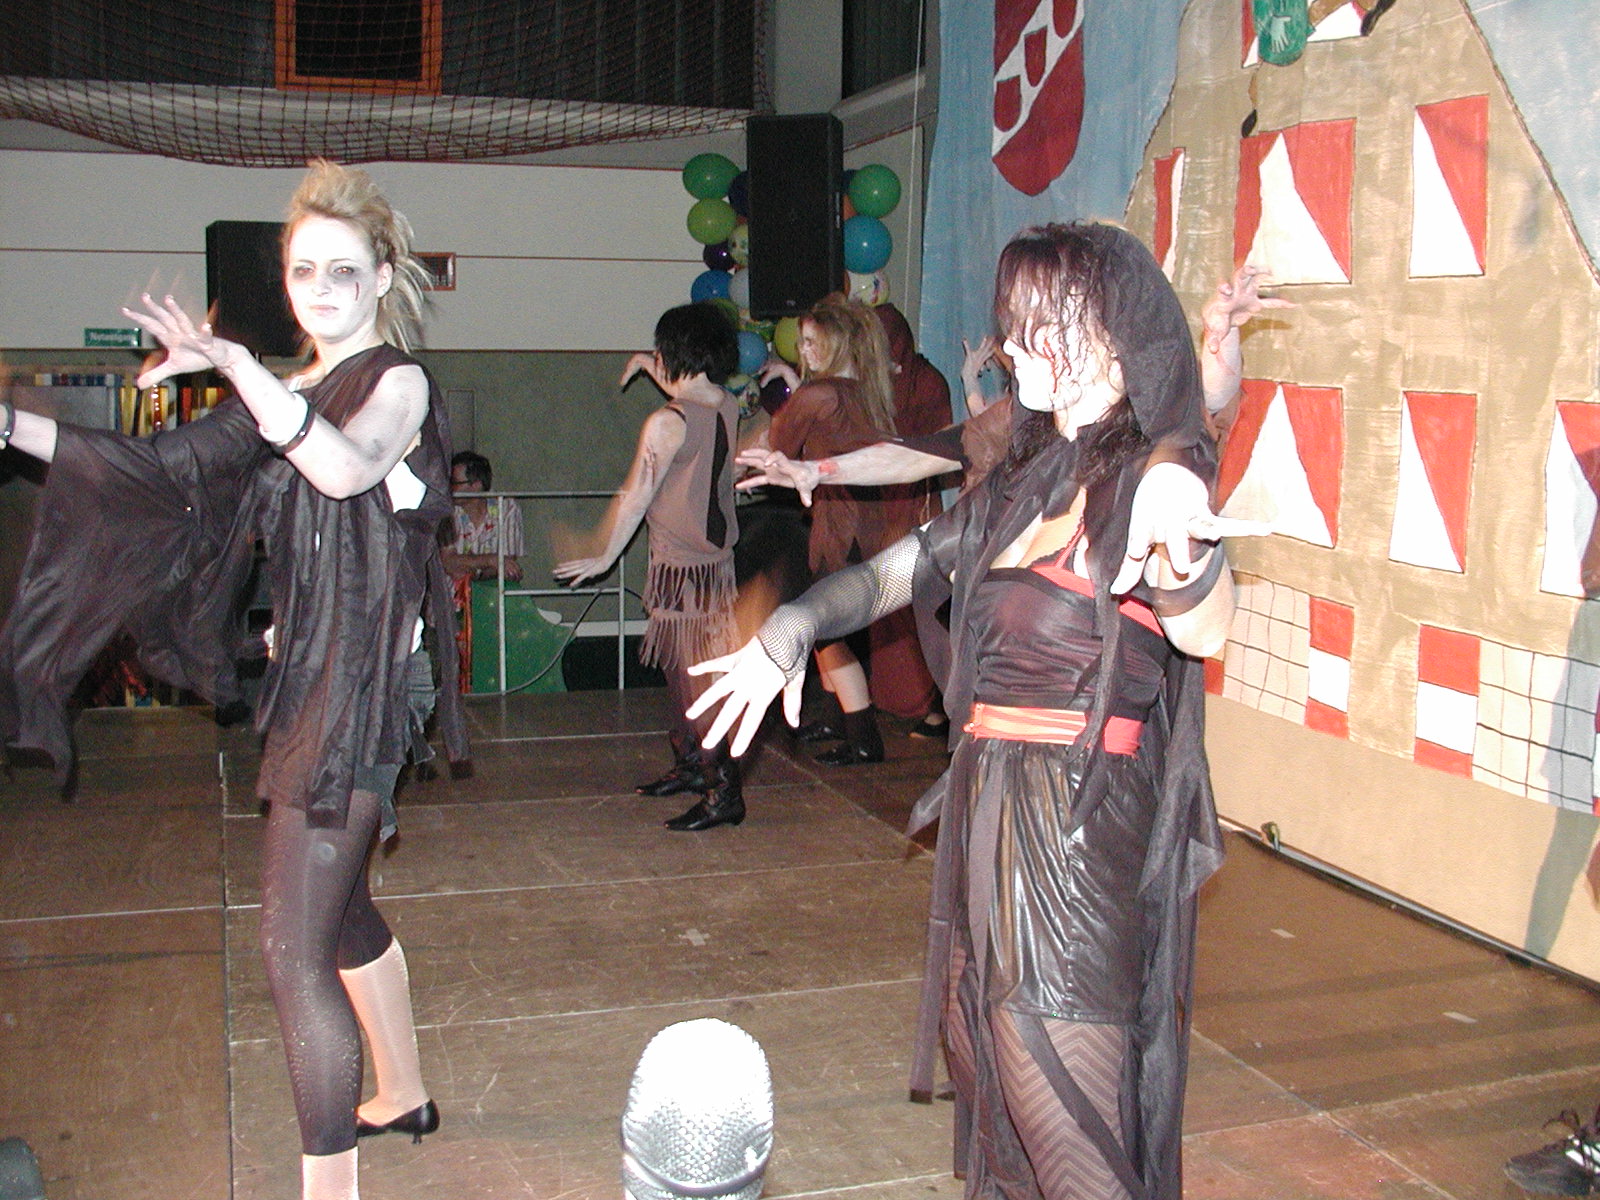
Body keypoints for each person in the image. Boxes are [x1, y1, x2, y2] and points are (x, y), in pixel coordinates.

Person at [686, 222, 1255, 1199]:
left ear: (1114, 340)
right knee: (994, 1078)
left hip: (1077, 826)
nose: (1013, 346)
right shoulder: (1029, 479)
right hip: (991, 809)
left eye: (1041, 326)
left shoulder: (1149, 476)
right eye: (1012, 322)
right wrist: (789, 628)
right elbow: (894, 574)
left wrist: (1188, 558)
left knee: (1066, 1126)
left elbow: (1203, 628)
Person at [0, 160, 461, 1200]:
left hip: (361, 698)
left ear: (383, 276)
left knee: (293, 950)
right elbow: (153, 472)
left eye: (344, 269)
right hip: (313, 685)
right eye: (304, 270)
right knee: (339, 912)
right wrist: (8, 425)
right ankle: (403, 1093)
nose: (322, 288)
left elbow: (344, 467)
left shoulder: (399, 384)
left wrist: (243, 369)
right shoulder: (284, 392)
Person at [736, 261, 1287, 507]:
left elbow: (1208, 401)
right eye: (1015, 334)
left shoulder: (1139, 413)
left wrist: (1220, 338)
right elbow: (919, 454)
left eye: (1034, 335)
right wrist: (816, 470)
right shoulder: (1017, 416)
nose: (1012, 350)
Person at [554, 303, 744, 831]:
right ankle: (692, 765)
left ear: (673, 351)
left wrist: (604, 556)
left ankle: (723, 791)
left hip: (684, 569)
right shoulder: (725, 402)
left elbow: (636, 496)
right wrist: (649, 365)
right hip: (711, 565)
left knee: (694, 681)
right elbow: (691, 391)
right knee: (684, 673)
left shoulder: (667, 422)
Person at [758, 293, 903, 766]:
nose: (804, 350)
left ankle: (862, 734)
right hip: (865, 521)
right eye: (802, 341)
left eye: (812, 341)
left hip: (840, 525)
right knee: (831, 626)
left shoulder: (817, 395)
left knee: (827, 631)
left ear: (839, 342)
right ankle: (840, 718)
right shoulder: (867, 390)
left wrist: (792, 395)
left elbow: (781, 444)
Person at [444, 450, 525, 582]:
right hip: (451, 592)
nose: (448, 488)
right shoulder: (446, 510)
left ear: (476, 485)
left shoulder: (507, 508)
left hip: (490, 591)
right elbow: (448, 561)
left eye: (454, 483)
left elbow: (508, 564)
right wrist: (491, 560)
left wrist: (473, 572)